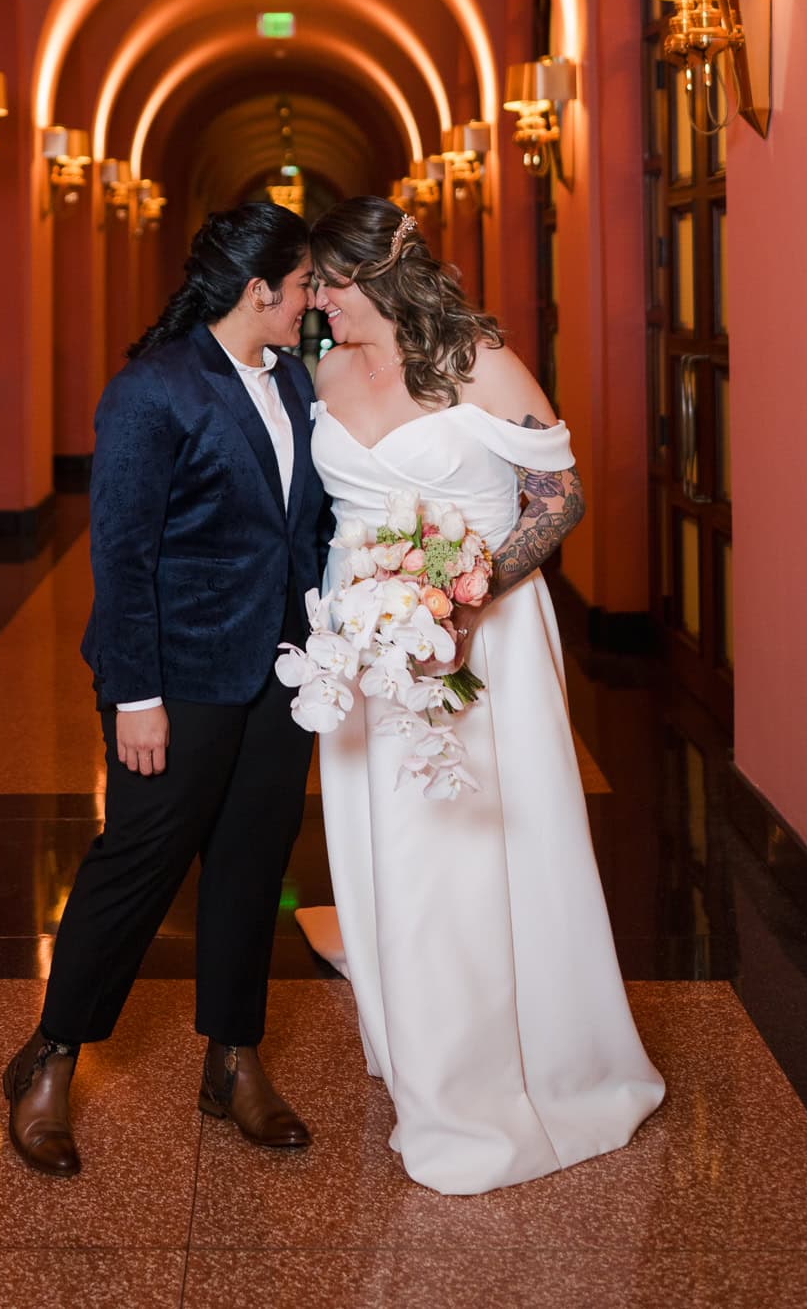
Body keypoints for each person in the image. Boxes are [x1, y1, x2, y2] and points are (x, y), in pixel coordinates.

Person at [305, 196, 664, 1195]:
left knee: (486, 844)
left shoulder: (475, 361)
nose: (318, 301)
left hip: (483, 640)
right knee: (392, 853)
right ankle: (421, 1048)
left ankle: (533, 1059)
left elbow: (562, 498)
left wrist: (466, 594)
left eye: (330, 281)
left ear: (376, 275)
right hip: (365, 643)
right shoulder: (323, 370)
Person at [3, 202, 333, 1176]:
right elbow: (122, 554)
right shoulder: (154, 390)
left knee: (251, 864)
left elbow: (300, 526)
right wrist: (135, 694)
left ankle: (233, 1062)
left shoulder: (294, 381)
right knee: (136, 865)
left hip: (279, 672)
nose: (313, 299)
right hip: (177, 675)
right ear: (258, 288)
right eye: (304, 283)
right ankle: (51, 1059)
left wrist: (337, 626)